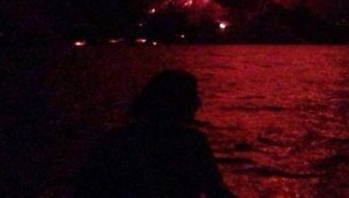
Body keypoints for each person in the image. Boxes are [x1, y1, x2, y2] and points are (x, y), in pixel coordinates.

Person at [74, 70, 234, 197]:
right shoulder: (191, 142)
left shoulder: (115, 140)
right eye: (191, 95)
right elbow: (215, 190)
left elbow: (86, 188)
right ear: (173, 102)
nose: (198, 102)